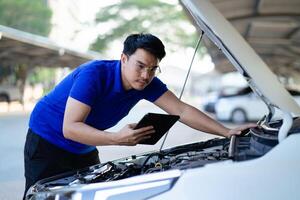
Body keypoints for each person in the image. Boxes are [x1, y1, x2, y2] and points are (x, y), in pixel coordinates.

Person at [23, 33, 255, 196]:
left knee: (88, 194)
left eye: (153, 68)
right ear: (124, 58)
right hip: (48, 141)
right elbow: (70, 128)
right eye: (141, 66)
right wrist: (116, 138)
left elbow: (182, 110)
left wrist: (226, 131)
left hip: (83, 147)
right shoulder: (93, 75)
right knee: (42, 195)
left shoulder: (148, 83)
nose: (146, 75)